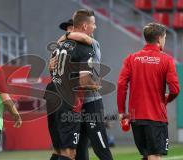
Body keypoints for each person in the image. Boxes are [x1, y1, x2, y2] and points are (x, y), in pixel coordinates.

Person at [46, 9, 113, 160]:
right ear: (83, 27)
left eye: (70, 28)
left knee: (72, 148)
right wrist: (96, 84)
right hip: (80, 100)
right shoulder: (87, 45)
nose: (69, 31)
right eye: (93, 24)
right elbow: (86, 81)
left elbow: (54, 71)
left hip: (63, 97)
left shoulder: (60, 46)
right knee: (73, 151)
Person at [117, 23, 180, 160]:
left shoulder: (131, 58)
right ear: (159, 39)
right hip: (156, 117)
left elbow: (121, 84)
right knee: (154, 156)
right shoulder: (167, 60)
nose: (164, 40)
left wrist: (122, 111)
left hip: (135, 117)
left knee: (146, 155)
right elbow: (175, 89)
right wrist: (166, 99)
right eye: (164, 37)